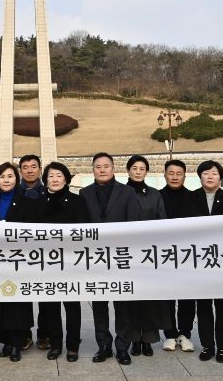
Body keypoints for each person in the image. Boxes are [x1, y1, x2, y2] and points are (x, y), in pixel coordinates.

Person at [79, 152, 142, 365]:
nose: (102, 170)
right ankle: (103, 346)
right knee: (99, 305)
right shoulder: (85, 193)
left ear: (113, 168)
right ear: (93, 170)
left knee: (122, 305)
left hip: (120, 257)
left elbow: (134, 223)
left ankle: (122, 347)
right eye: (98, 167)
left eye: (106, 166)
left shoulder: (127, 192)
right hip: (95, 258)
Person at [0, 162, 36, 362]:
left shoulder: (28, 203)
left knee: (17, 304)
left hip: (19, 262)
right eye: (2, 177)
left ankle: (17, 343)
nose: (6, 180)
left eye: (10, 176)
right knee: (0, 303)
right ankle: (5, 341)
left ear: (17, 179)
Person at [37, 161, 85, 362]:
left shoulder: (77, 201)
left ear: (66, 179)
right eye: (51, 176)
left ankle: (73, 346)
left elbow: (83, 232)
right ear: (45, 179)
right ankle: (55, 344)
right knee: (50, 307)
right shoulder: (37, 202)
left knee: (72, 307)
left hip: (71, 263)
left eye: (59, 175)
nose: (55, 179)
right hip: (46, 263)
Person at [124, 155, 171, 357]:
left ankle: (149, 339)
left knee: (150, 298)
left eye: (142, 168)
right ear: (128, 170)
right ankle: (134, 338)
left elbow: (162, 221)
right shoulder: (121, 193)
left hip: (150, 253)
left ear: (146, 172)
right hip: (127, 253)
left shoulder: (154, 194)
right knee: (132, 299)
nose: (138, 172)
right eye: (134, 168)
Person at [190, 161, 223, 364]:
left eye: (214, 173)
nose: (210, 176)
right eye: (205, 173)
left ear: (220, 177)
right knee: (203, 305)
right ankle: (207, 345)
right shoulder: (190, 198)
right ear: (200, 177)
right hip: (199, 259)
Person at [158, 159, 196, 354]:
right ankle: (170, 334)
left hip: (187, 254)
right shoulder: (157, 196)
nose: (174, 177)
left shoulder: (193, 197)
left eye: (178, 173)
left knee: (187, 297)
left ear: (184, 176)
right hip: (164, 254)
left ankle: (185, 334)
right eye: (171, 173)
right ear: (165, 175)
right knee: (167, 297)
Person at [18, 154, 47, 350]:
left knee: (45, 296)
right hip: (19, 253)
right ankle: (24, 334)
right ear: (20, 171)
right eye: (25, 167)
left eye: (33, 166)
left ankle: (45, 334)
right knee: (22, 296)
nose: (29, 170)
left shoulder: (49, 191)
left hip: (44, 253)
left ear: (40, 169)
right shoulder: (13, 192)